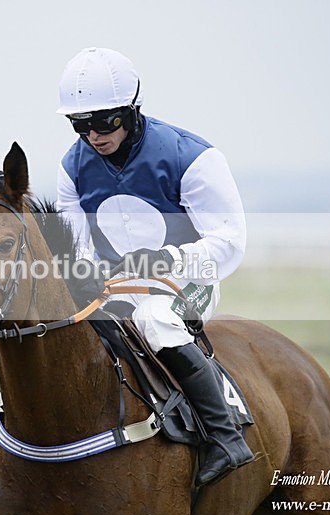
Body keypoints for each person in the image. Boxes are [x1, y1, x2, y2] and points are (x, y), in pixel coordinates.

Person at [55, 47, 254, 486]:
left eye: (105, 121)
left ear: (131, 109)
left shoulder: (193, 157)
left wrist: (170, 261)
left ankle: (226, 436)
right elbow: (76, 250)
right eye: (80, 125)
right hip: (116, 287)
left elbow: (230, 244)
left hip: (189, 282)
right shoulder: (71, 168)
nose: (93, 135)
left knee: (154, 318)